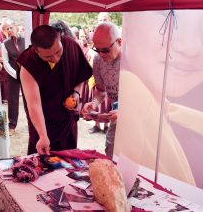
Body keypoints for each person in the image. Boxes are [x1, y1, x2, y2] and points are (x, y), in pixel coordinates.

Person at [114, 10, 203, 188]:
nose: (192, 47)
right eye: (166, 15)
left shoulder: (187, 120)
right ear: (127, 22)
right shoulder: (131, 92)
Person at [17, 25, 92, 155]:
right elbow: (33, 104)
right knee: (42, 166)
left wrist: (76, 92)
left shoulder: (71, 46)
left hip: (66, 121)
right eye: (48, 57)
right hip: (43, 122)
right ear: (36, 51)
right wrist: (42, 136)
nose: (55, 59)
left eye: (58, 52)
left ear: (59, 39)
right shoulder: (28, 63)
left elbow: (81, 75)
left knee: (68, 164)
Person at [82, 22, 121, 158]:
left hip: (139, 121)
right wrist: (94, 103)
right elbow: (101, 91)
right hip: (116, 119)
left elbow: (149, 98)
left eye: (105, 50)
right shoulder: (98, 60)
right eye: (97, 49)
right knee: (111, 153)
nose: (101, 54)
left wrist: (126, 112)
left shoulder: (132, 60)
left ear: (119, 42)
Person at [2, 21, 25, 136]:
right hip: (12, 74)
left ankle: (33, 123)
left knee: (29, 98)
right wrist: (15, 74)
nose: (9, 29)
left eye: (11, 27)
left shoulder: (25, 40)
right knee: (13, 100)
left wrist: (25, 73)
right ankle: (12, 125)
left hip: (26, 72)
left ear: (17, 28)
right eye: (7, 28)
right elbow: (5, 62)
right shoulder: (5, 43)